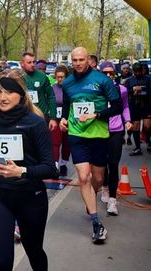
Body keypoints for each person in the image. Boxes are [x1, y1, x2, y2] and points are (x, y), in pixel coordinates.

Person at [0, 69, 57, 270]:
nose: (3, 97)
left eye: (9, 92)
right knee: (2, 261)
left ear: (21, 93)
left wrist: (21, 171)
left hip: (30, 196)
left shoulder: (35, 122)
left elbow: (50, 168)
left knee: (34, 251)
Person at [60, 47, 122, 244]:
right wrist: (63, 118)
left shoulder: (102, 80)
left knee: (98, 178)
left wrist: (96, 114)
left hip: (99, 135)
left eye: (81, 59)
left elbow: (118, 106)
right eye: (74, 60)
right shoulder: (68, 82)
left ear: (88, 60)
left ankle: (91, 197)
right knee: (83, 177)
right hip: (77, 134)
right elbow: (68, 104)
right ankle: (96, 223)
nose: (78, 63)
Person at [98, 62, 131, 216]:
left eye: (111, 73)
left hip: (116, 129)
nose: (108, 75)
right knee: (102, 163)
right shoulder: (96, 90)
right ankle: (104, 187)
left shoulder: (121, 89)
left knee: (113, 163)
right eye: (105, 73)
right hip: (99, 129)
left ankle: (112, 200)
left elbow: (125, 106)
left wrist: (128, 120)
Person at [20, 53, 57, 133]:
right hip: (23, 117)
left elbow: (51, 96)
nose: (32, 65)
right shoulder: (17, 77)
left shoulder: (42, 76)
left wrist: (53, 118)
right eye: (29, 62)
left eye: (34, 62)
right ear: (22, 63)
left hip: (41, 116)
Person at [124, 62, 151, 155]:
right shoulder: (129, 81)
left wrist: (142, 89)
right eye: (136, 71)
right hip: (134, 105)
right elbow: (126, 92)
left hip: (146, 105)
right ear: (133, 71)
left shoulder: (148, 79)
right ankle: (137, 148)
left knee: (147, 126)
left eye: (139, 71)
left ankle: (149, 142)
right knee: (136, 125)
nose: (138, 73)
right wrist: (133, 90)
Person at [51, 65, 71, 176]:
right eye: (58, 77)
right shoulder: (52, 88)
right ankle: (55, 166)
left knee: (67, 143)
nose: (60, 79)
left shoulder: (71, 88)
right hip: (56, 119)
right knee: (55, 143)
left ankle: (63, 164)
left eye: (62, 77)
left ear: (66, 77)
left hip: (68, 119)